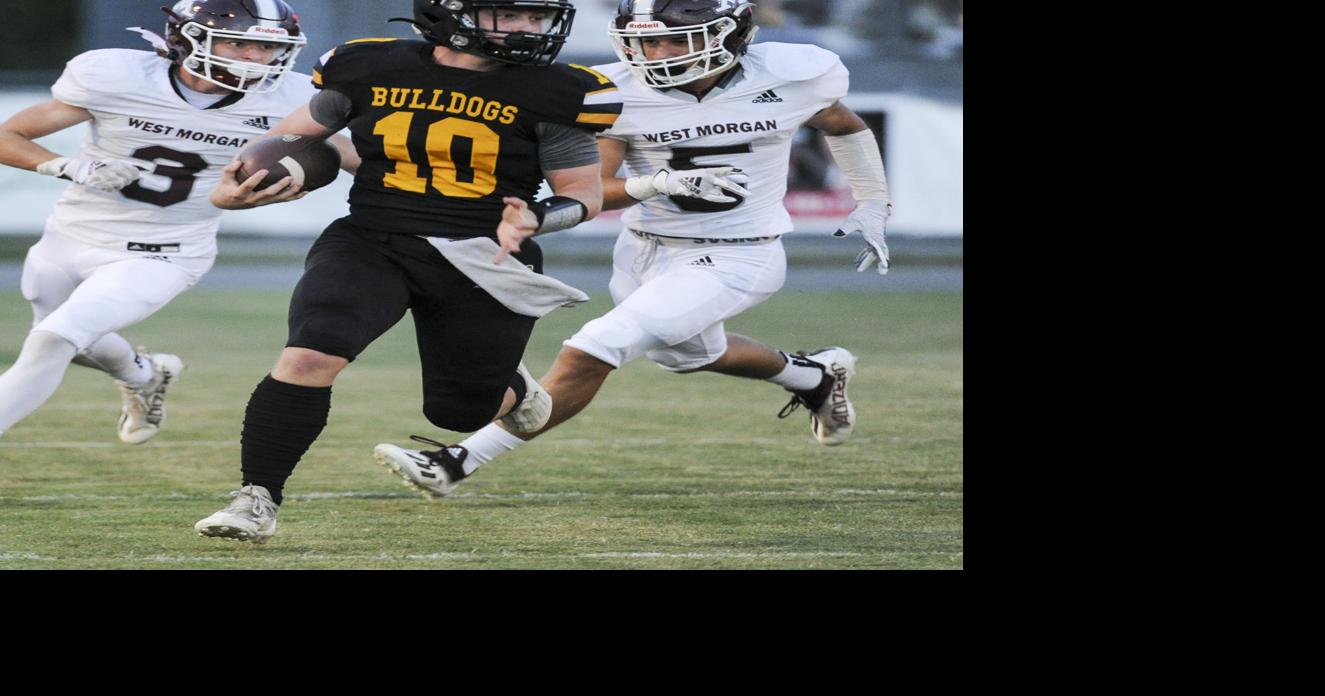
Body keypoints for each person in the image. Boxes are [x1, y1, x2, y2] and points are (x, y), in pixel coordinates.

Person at [374, 0, 894, 498]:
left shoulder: (789, 75)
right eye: (645, 43)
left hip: (742, 252)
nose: (658, 55)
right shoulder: (614, 91)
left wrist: (873, 202)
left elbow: (843, 126)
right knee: (689, 354)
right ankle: (815, 376)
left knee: (598, 344)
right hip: (644, 248)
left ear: (729, 34)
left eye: (675, 41)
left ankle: (456, 461)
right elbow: (596, 188)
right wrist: (663, 183)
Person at [193, 0, 622, 543]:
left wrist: (537, 217)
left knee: (459, 412)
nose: (527, 29)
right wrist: (237, 188)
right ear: (451, 14)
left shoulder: (557, 90)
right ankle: (256, 498)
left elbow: (582, 193)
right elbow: (291, 141)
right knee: (309, 354)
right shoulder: (371, 66)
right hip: (373, 238)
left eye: (536, 18)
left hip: (484, 256)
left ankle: (512, 388)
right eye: (511, 16)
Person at [0, 0, 351, 443]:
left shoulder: (293, 100)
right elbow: (7, 135)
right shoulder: (117, 77)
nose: (254, 58)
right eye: (238, 42)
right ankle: (145, 375)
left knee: (52, 341)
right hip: (67, 237)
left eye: (265, 47)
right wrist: (69, 167)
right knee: (73, 341)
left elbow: (366, 160)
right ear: (187, 37)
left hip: (165, 252)